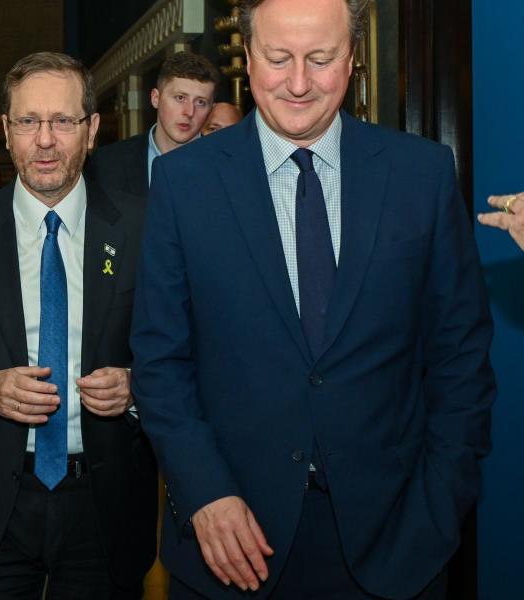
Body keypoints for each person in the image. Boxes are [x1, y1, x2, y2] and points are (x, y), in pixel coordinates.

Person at [130, 0, 495, 598]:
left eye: (320, 59)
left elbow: (460, 357)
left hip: (398, 542)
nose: (298, 83)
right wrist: (204, 493)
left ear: (352, 61)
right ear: (248, 60)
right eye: (278, 59)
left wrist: (439, 504)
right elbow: (160, 360)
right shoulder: (183, 182)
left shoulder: (421, 174)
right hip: (232, 542)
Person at [0, 51, 157, 598]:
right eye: (28, 122)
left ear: (92, 129)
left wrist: (136, 384)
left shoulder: (144, 231)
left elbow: (188, 349)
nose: (45, 140)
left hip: (105, 505)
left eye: (62, 121)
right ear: (6, 132)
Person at [87, 51, 219, 198]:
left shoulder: (225, 168)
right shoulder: (108, 164)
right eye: (180, 98)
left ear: (211, 110)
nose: (189, 112)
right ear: (155, 98)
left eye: (201, 102)